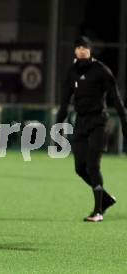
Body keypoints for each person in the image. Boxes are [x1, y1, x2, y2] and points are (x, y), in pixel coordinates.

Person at [56, 36, 127, 222]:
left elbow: (117, 100)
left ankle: (98, 211)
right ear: (74, 51)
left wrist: (124, 124)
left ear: (90, 50)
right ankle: (105, 198)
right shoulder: (71, 72)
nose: (81, 50)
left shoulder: (101, 71)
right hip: (81, 123)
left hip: (98, 122)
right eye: (78, 47)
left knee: (93, 166)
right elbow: (64, 102)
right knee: (80, 168)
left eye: (84, 47)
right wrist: (58, 127)